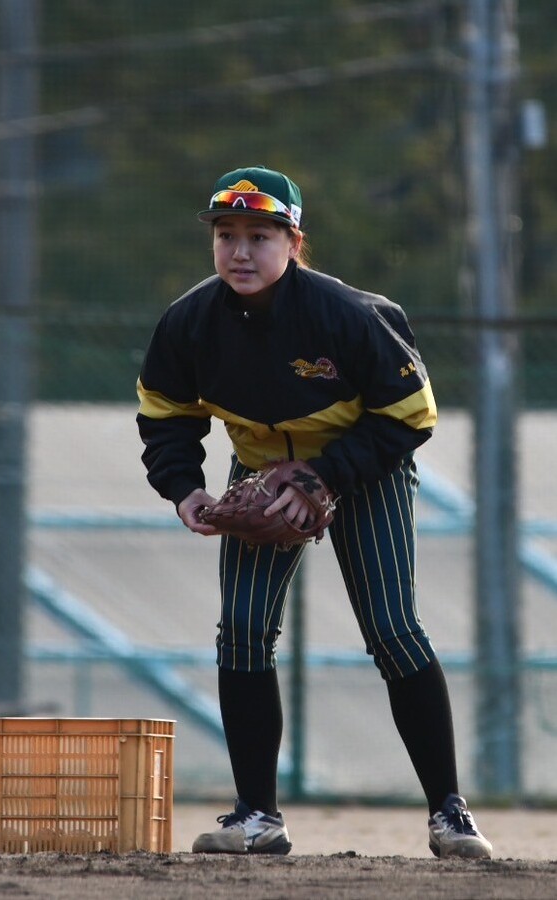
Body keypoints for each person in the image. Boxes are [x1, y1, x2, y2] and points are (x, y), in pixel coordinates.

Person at [136, 165, 492, 860]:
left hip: (363, 473)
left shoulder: (347, 314)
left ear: (294, 243)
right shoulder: (189, 322)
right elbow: (165, 414)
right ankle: (257, 816)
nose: (240, 251)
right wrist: (183, 488)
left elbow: (412, 415)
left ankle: (449, 813)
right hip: (259, 478)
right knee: (242, 630)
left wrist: (323, 477)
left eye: (260, 235)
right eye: (227, 235)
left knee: (393, 629)